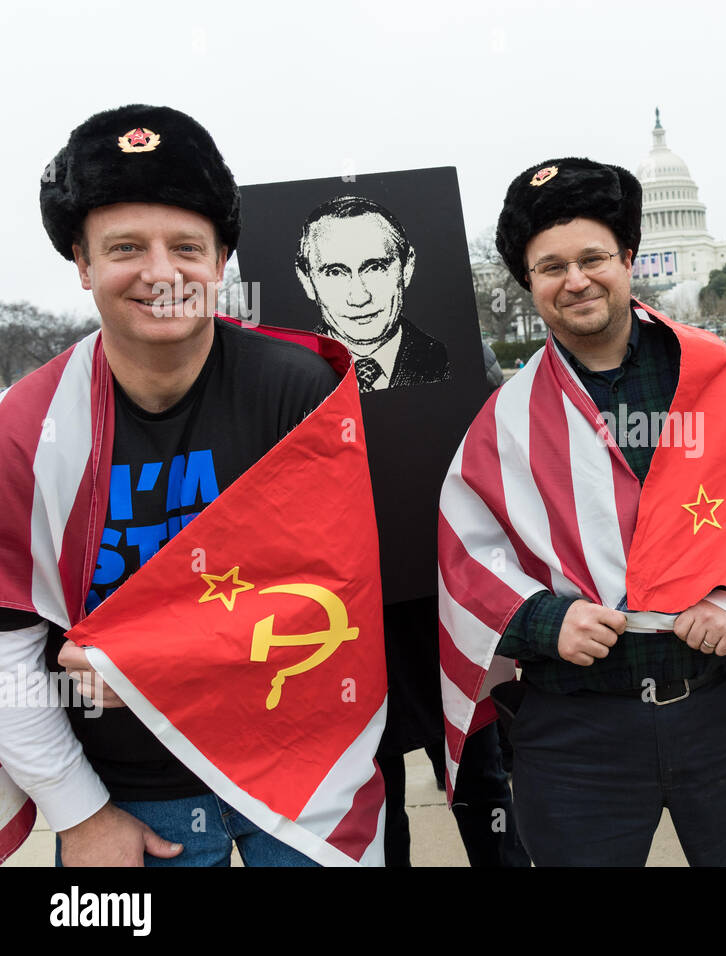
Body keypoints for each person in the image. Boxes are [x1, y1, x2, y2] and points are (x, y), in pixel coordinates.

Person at [437, 157, 726, 866]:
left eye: (593, 257)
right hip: (579, 732)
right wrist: (546, 621)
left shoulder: (716, 377)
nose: (575, 281)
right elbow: (467, 557)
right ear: (529, 282)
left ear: (629, 257)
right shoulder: (503, 422)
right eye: (551, 267)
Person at [0, 105, 341, 866]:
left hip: (300, 773)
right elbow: (8, 658)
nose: (161, 273)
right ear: (82, 266)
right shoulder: (23, 429)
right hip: (124, 791)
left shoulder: (302, 390)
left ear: (222, 259)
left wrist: (164, 660)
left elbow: (337, 600)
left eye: (186, 246)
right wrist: (79, 816)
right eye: (125, 248)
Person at [296, 196, 449, 391]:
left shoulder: (451, 361)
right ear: (307, 280)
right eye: (335, 272)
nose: (359, 298)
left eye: (375, 267)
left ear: (407, 268)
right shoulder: (287, 379)